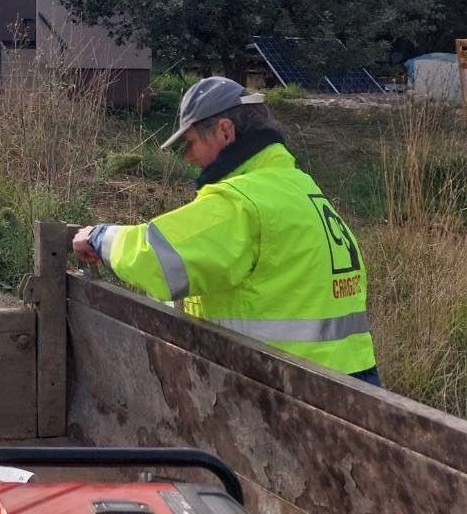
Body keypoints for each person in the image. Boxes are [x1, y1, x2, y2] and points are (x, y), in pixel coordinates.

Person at [72, 76, 379, 384]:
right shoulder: (299, 185)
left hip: (292, 386)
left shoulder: (243, 200)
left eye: (191, 143)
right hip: (352, 380)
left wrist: (98, 237)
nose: (189, 158)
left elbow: (155, 256)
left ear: (224, 131)